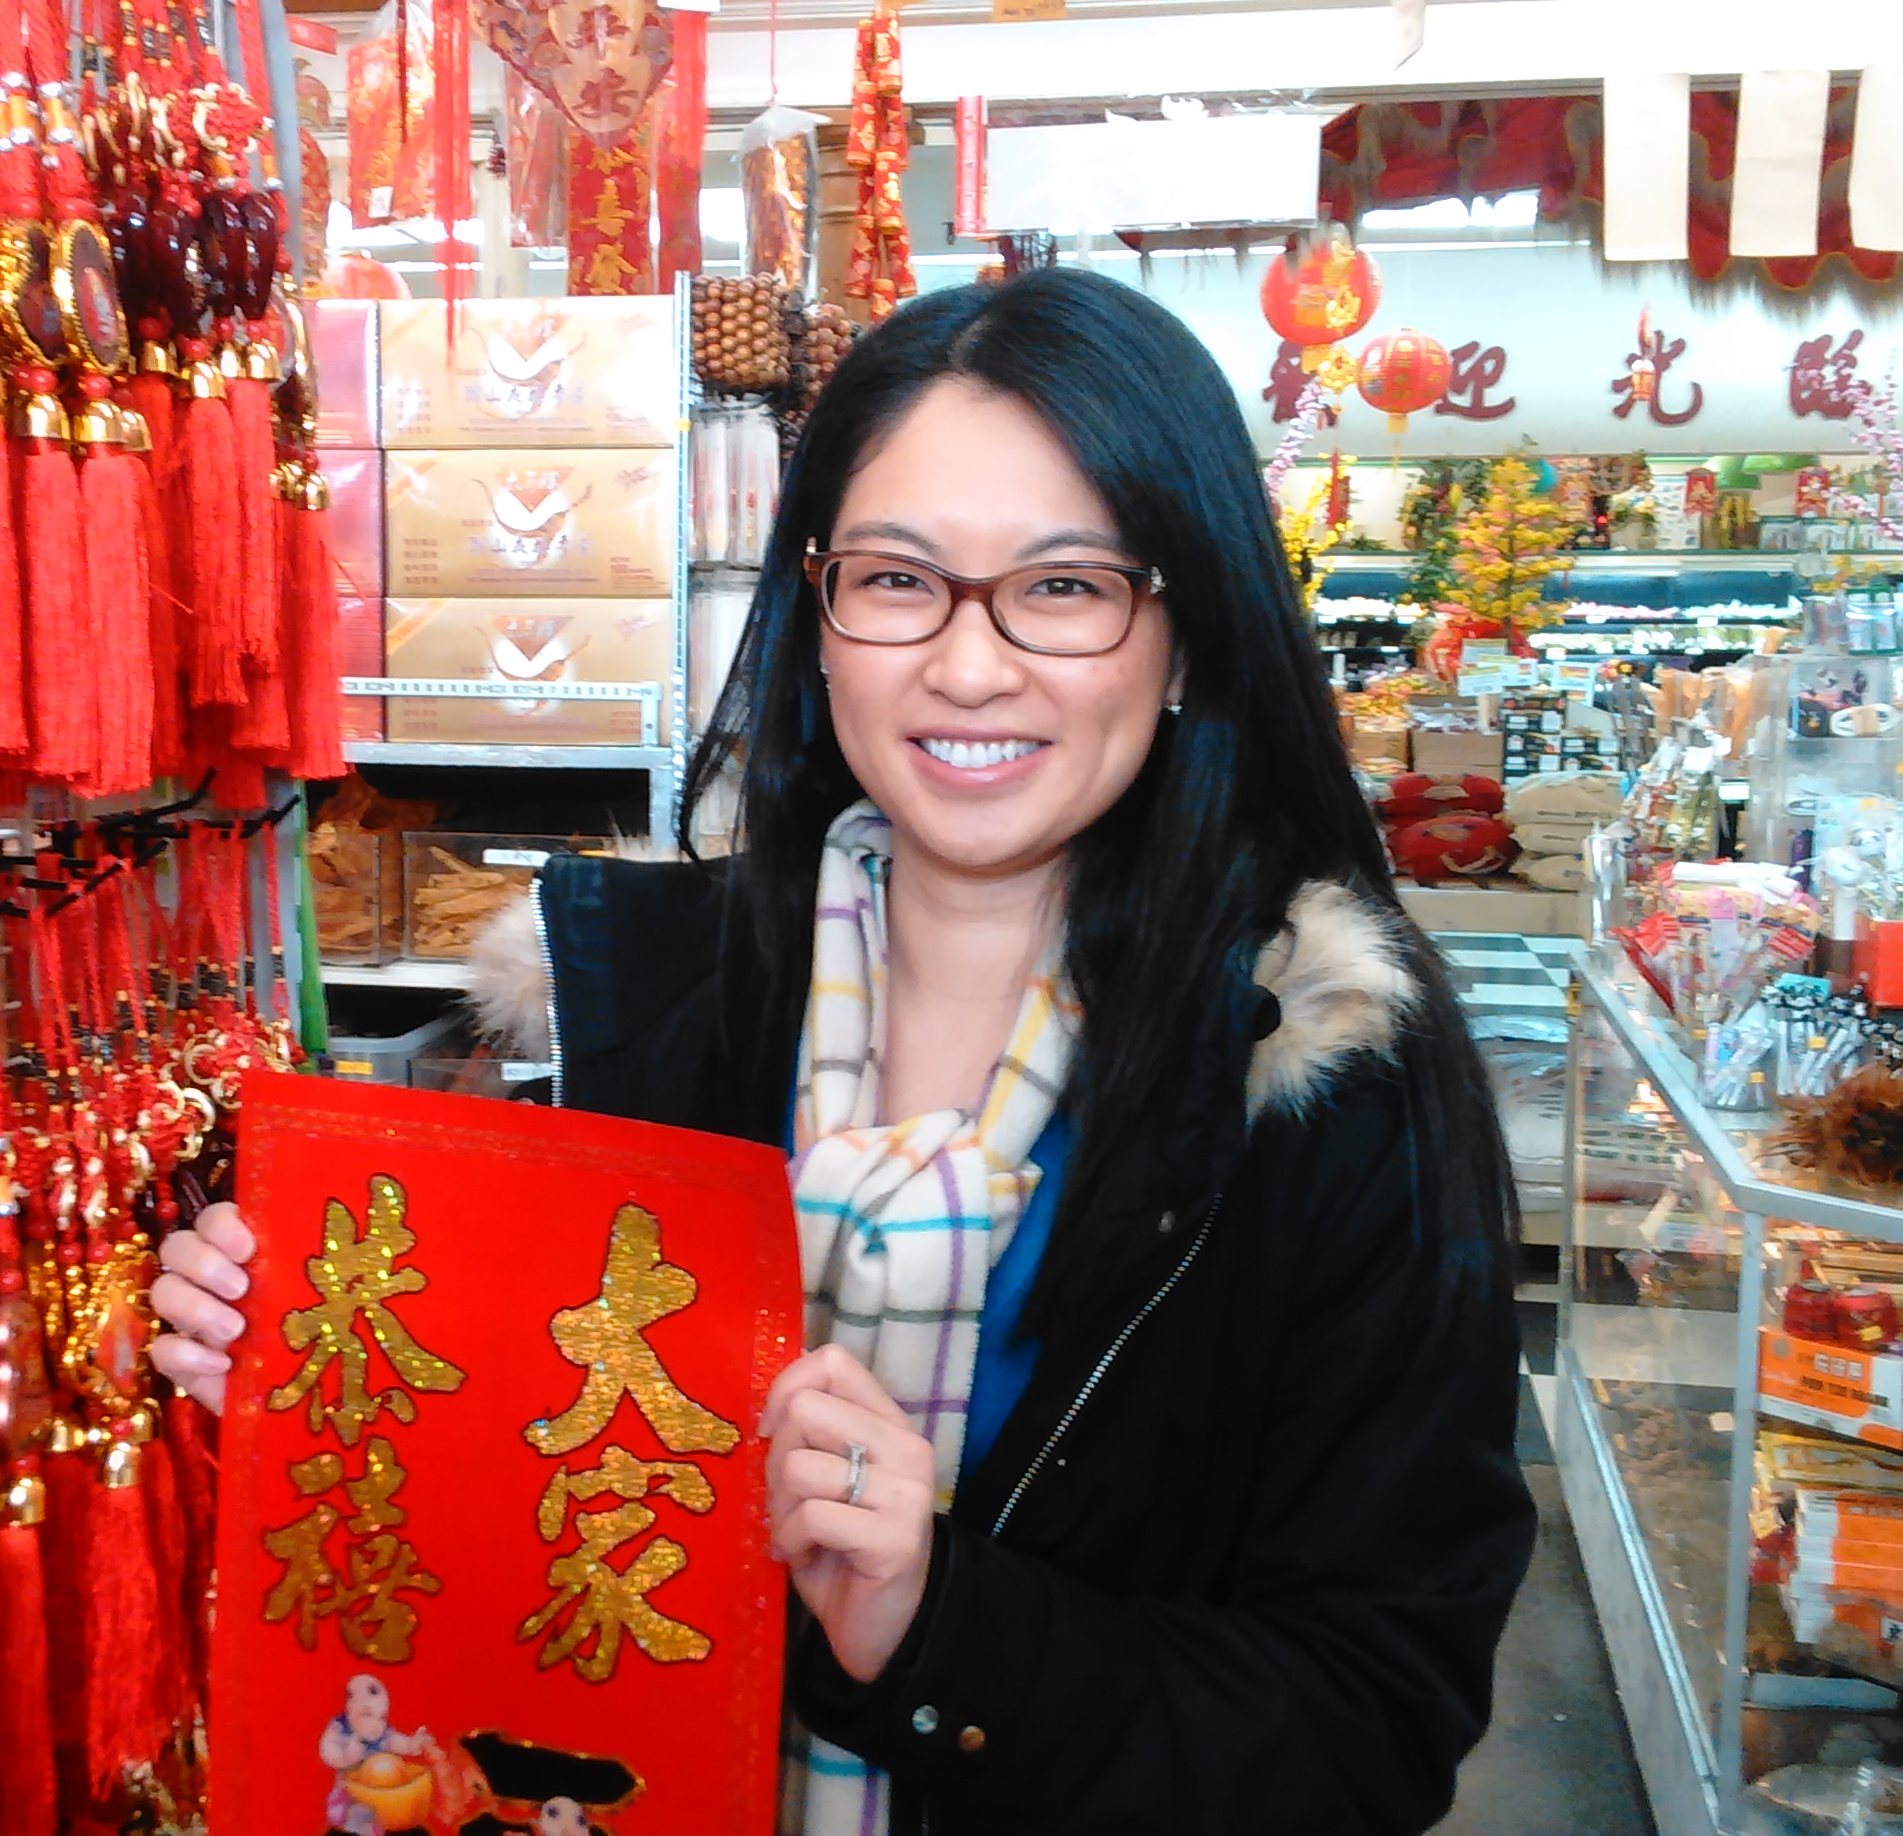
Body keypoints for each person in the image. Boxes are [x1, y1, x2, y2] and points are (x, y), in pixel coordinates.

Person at [150, 268, 1533, 1834]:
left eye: (1066, 587)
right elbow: (541, 1556)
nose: (967, 664)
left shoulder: (1321, 1076)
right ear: (815, 618)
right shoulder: (646, 1009)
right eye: (896, 580)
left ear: (1191, 630)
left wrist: (941, 1629)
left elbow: (1372, 1722)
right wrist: (305, 1369)